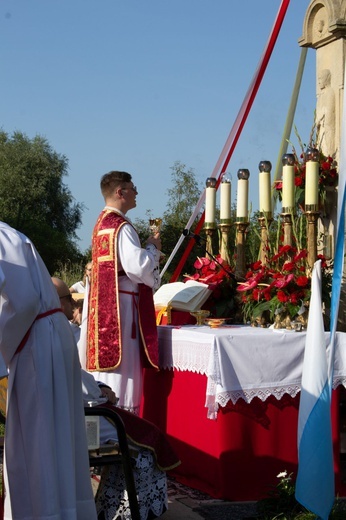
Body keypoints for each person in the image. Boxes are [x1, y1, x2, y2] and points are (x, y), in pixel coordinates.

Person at [52, 277, 180, 520]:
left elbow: (74, 377)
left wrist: (98, 386)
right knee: (147, 444)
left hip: (71, 415)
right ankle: (134, 512)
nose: (73, 303)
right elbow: (75, 384)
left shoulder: (49, 330)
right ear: (58, 303)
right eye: (69, 299)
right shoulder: (57, 333)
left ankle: (111, 506)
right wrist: (100, 393)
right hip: (82, 423)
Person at [0, 222, 97, 520]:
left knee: (37, 443)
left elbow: (25, 302)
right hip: (47, 333)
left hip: (34, 341)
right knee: (59, 438)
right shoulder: (6, 232)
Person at [85, 171, 162, 414]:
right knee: (124, 377)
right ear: (120, 192)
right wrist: (153, 248)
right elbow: (138, 267)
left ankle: (106, 429)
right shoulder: (121, 227)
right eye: (132, 188)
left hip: (103, 312)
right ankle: (126, 429)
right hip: (121, 311)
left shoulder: (100, 224)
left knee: (105, 379)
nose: (136, 192)